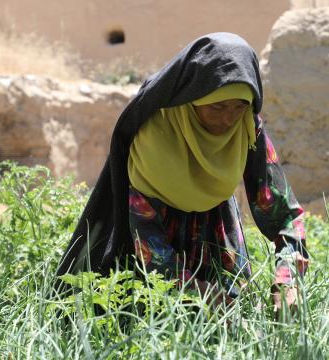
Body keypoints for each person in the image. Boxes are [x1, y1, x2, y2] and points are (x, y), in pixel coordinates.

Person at [56, 32, 309, 310]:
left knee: (231, 324)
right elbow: (145, 230)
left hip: (217, 236)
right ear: (191, 98)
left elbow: (283, 214)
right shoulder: (154, 135)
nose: (228, 118)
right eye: (217, 107)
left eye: (239, 106)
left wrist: (287, 280)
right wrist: (191, 288)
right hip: (150, 248)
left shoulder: (246, 127)